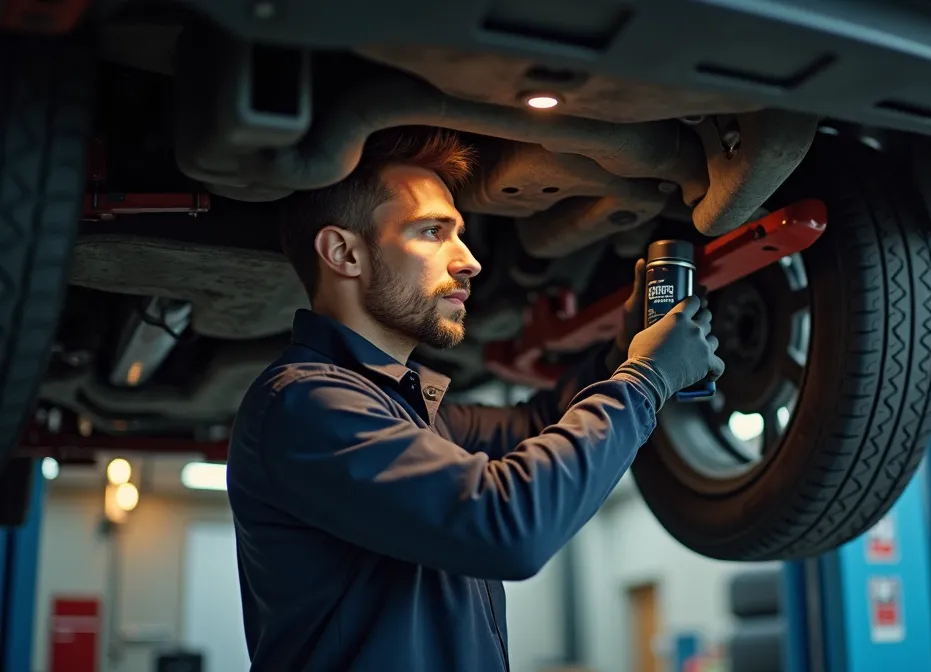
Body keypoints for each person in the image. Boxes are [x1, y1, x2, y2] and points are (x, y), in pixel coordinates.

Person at [225, 125, 724, 672]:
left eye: (459, 232)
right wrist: (645, 380)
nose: (469, 260)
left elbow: (535, 424)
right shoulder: (305, 403)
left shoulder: (405, 410)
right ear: (345, 253)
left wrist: (616, 359)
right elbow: (506, 527)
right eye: (433, 231)